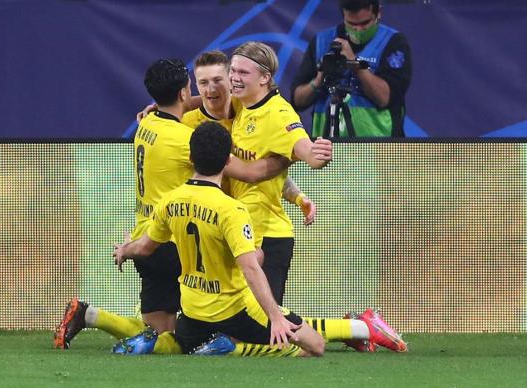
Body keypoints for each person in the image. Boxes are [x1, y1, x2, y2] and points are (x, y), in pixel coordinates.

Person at [55, 58, 298, 350]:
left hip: (145, 237)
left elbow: (184, 104)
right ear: (185, 92)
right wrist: (289, 153)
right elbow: (251, 172)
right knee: (231, 322)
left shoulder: (147, 123)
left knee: (158, 333)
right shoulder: (186, 138)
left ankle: (90, 314)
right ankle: (353, 329)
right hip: (176, 238)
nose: (206, 90)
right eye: (198, 84)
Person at [112, 122, 407, 356]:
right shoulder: (231, 209)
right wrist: (275, 316)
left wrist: (126, 249)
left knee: (180, 342)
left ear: (190, 159)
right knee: (312, 347)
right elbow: (252, 267)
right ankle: (238, 350)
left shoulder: (169, 201)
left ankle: (156, 345)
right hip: (234, 309)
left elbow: (146, 246)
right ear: (229, 161)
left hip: (192, 310)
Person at [226, 41, 332, 305]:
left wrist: (315, 155)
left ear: (265, 78)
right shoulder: (242, 103)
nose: (235, 78)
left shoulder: (278, 113)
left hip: (268, 236)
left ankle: (356, 327)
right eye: (233, 70)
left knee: (267, 324)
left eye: (243, 73)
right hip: (242, 229)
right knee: (245, 322)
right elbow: (273, 169)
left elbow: (304, 149)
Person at [183, 50, 317, 227]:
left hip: (248, 226)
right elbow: (252, 172)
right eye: (203, 82)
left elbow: (262, 159)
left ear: (229, 80)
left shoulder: (245, 109)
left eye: (217, 80)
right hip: (206, 226)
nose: (211, 89)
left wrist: (298, 197)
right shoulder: (187, 126)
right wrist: (164, 108)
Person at [291, 0, 412, 137]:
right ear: (344, 16)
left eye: (365, 23)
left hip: (377, 149)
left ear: (378, 12)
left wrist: (354, 63)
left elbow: (383, 98)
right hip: (325, 148)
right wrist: (319, 79)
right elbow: (297, 101)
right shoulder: (322, 41)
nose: (358, 29)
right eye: (352, 24)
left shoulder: (393, 42)